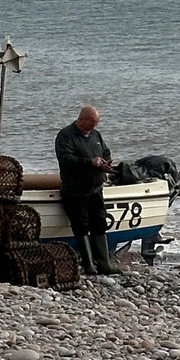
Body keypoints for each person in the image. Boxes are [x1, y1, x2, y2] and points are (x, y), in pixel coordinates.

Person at [54, 106, 122, 275]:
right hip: (75, 190)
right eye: (90, 124)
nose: (92, 127)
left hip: (95, 189)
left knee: (100, 223)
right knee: (81, 226)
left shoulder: (96, 135)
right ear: (81, 119)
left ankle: (104, 263)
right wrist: (90, 162)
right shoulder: (65, 135)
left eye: (95, 124)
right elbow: (65, 159)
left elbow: (105, 151)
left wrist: (106, 162)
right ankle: (88, 265)